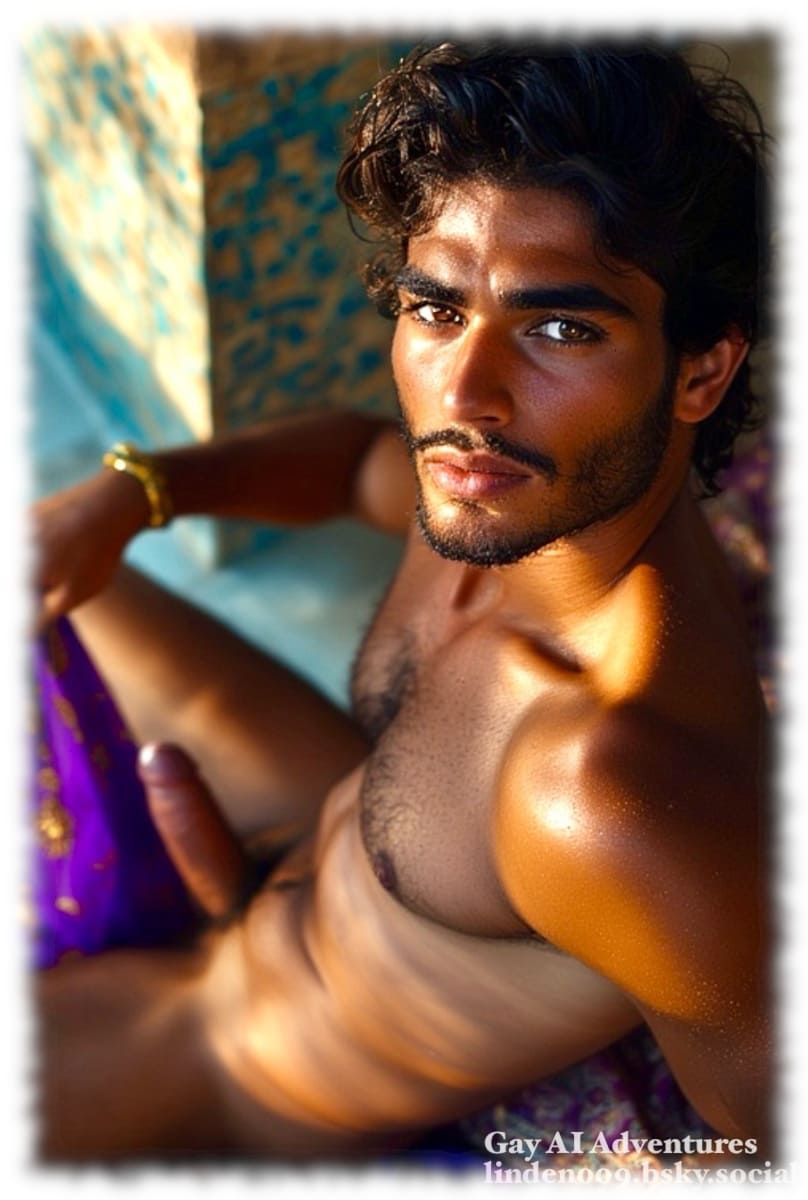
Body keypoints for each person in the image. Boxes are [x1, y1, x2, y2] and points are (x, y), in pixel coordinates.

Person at [32, 39, 772, 1163]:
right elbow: (348, 463)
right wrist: (132, 496)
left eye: (559, 328)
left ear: (700, 372)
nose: (465, 396)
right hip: (300, 843)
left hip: (235, 1056)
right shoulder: (502, 494)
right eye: (436, 310)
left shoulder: (602, 789)